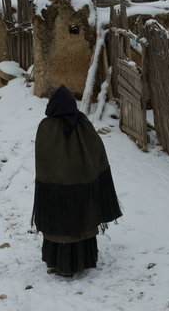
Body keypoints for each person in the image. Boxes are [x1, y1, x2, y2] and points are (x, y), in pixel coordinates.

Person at [31, 85, 122, 276]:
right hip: (82, 191)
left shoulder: (46, 127)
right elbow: (97, 152)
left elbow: (44, 159)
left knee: (60, 225)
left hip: (54, 192)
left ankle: (59, 263)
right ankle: (83, 261)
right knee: (82, 221)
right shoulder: (83, 123)